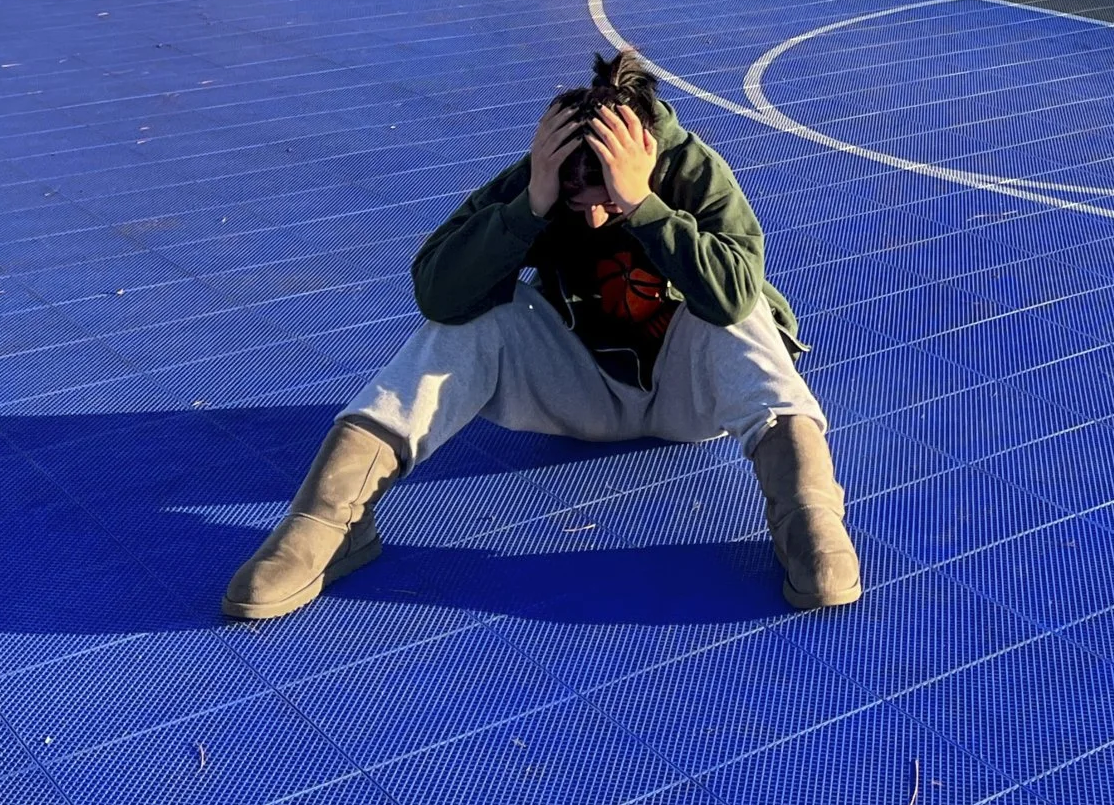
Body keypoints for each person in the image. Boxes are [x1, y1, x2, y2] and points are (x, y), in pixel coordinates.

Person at [222, 51, 859, 620]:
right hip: (581, 391)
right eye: (581, 205)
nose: (597, 218)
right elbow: (437, 293)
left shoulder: (692, 171)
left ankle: (806, 518)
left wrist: (645, 208)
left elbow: (735, 296)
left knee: (740, 310)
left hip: (692, 397)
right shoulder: (544, 175)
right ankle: (329, 522)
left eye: (609, 200)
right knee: (477, 314)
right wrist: (529, 207)